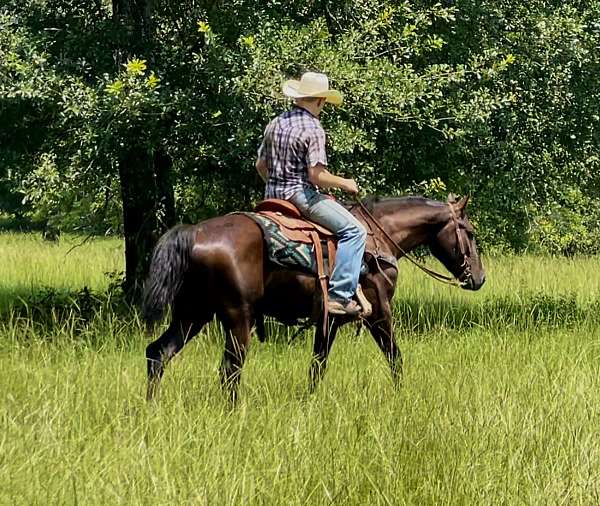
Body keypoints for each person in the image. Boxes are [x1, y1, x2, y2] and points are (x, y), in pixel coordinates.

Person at [255, 72, 367, 316]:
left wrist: (274, 184)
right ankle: (339, 296)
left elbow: (261, 166)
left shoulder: (275, 122)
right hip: (300, 196)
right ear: (319, 101)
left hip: (270, 197)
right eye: (324, 102)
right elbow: (317, 176)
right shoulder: (313, 128)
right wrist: (345, 182)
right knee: (355, 231)